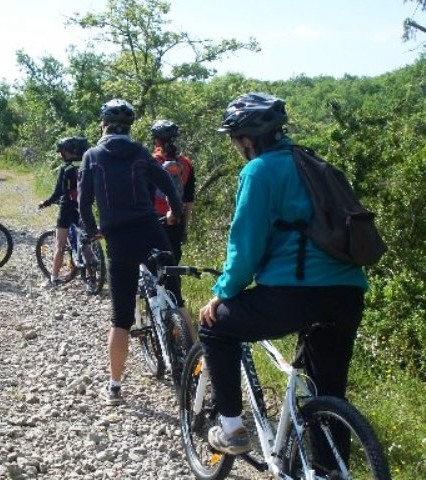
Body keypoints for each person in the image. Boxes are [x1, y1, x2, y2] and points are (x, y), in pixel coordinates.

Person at [198, 93, 367, 455]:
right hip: (348, 293)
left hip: (294, 294)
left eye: (234, 140)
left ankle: (231, 430)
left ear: (246, 140)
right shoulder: (313, 162)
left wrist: (223, 292)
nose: (235, 147)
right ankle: (329, 471)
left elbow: (245, 246)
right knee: (327, 395)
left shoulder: (258, 170)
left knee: (214, 327)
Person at [78, 99, 184, 405]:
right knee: (175, 296)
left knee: (121, 317)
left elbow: (85, 203)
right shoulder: (140, 152)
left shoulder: (92, 156)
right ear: (129, 128)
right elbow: (167, 182)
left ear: (103, 125)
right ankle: (191, 361)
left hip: (119, 240)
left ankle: (114, 387)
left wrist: (92, 230)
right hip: (153, 232)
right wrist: (176, 213)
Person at [150, 119, 196, 332]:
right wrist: (184, 227)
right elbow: (188, 200)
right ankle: (178, 321)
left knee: (153, 276)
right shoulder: (186, 164)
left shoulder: (151, 162)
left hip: (154, 225)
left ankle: (162, 326)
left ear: (156, 140)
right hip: (176, 225)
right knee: (172, 274)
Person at [39, 136, 90, 288]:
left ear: (69, 152)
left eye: (63, 151)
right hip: (84, 207)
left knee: (60, 245)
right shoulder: (88, 165)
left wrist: (45, 203)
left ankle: (53, 278)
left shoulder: (66, 168)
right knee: (84, 241)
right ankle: (93, 274)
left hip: (67, 207)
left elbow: (58, 193)